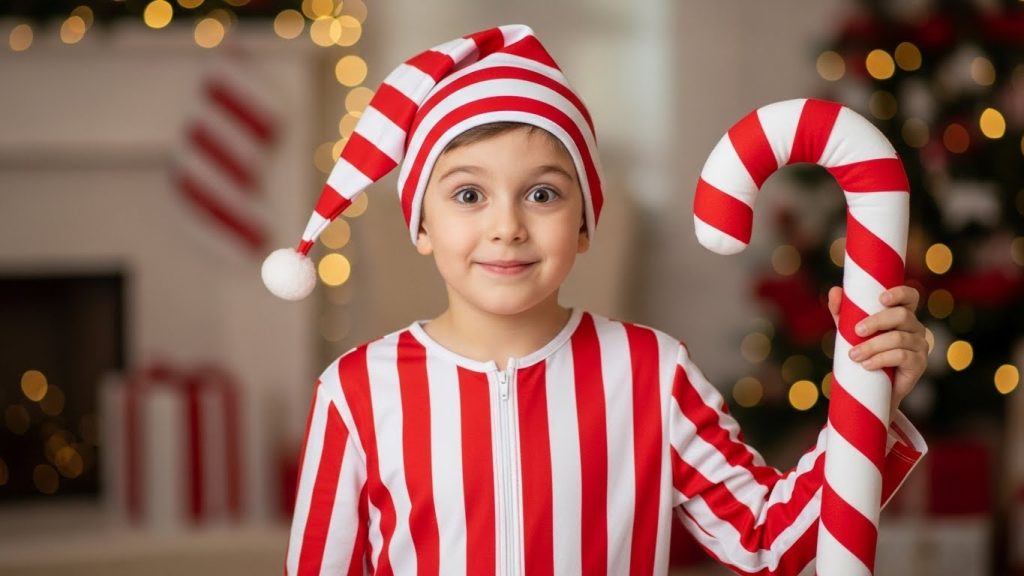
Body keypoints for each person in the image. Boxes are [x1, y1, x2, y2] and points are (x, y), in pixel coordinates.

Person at [261, 25, 930, 576]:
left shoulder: (651, 375)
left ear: (584, 223)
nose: (507, 225)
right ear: (421, 225)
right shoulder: (356, 393)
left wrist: (873, 404)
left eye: (543, 193)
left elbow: (766, 542)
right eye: (468, 194)